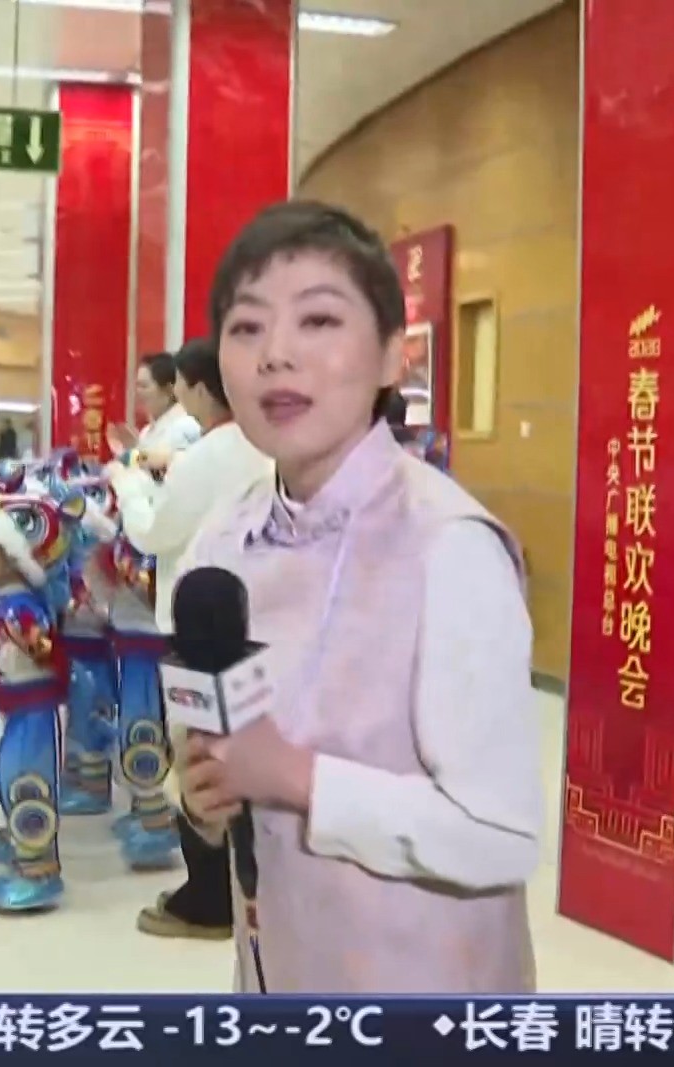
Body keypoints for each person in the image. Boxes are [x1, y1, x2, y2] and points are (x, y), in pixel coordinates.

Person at [175, 200, 543, 993]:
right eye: (247, 327)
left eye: (318, 320)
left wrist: (296, 778)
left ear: (392, 358)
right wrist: (206, 793)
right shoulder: (221, 542)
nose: (276, 354)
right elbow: (213, 752)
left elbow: (500, 835)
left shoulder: (448, 546)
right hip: (274, 972)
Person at [108, 336, 270, 940]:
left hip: (195, 628)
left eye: (178, 387)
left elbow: (153, 534)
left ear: (201, 389)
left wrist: (127, 485)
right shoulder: (262, 446)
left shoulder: (207, 456)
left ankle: (207, 899)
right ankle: (243, 885)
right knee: (241, 753)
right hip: (252, 623)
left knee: (196, 758)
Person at [121, 353, 201, 466]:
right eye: (137, 386)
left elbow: (170, 464)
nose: (138, 392)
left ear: (168, 389)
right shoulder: (146, 431)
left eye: (144, 386)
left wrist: (136, 452)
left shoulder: (186, 427)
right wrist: (132, 448)